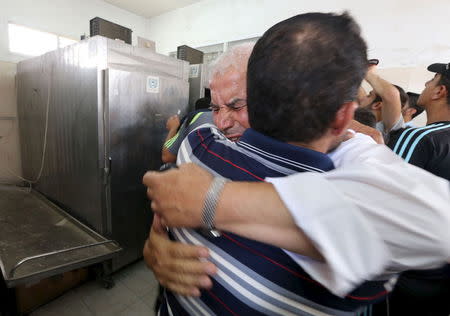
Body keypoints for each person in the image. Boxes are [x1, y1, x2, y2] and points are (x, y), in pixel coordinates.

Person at [144, 13, 450, 310]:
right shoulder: (355, 259)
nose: (221, 122)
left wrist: (213, 200)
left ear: (260, 92)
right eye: (214, 107)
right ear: (344, 115)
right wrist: (156, 242)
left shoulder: (198, 145)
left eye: (237, 106)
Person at [384, 63, 450, 316]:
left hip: (406, 275)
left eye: (432, 80)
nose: (425, 85)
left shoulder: (421, 138)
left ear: (439, 91)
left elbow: (385, 201)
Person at [358, 66, 406, 142]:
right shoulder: (361, 114)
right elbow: (359, 92)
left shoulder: (389, 129)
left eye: (369, 95)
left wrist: (367, 72)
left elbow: (391, 95)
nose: (363, 98)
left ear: (377, 105)